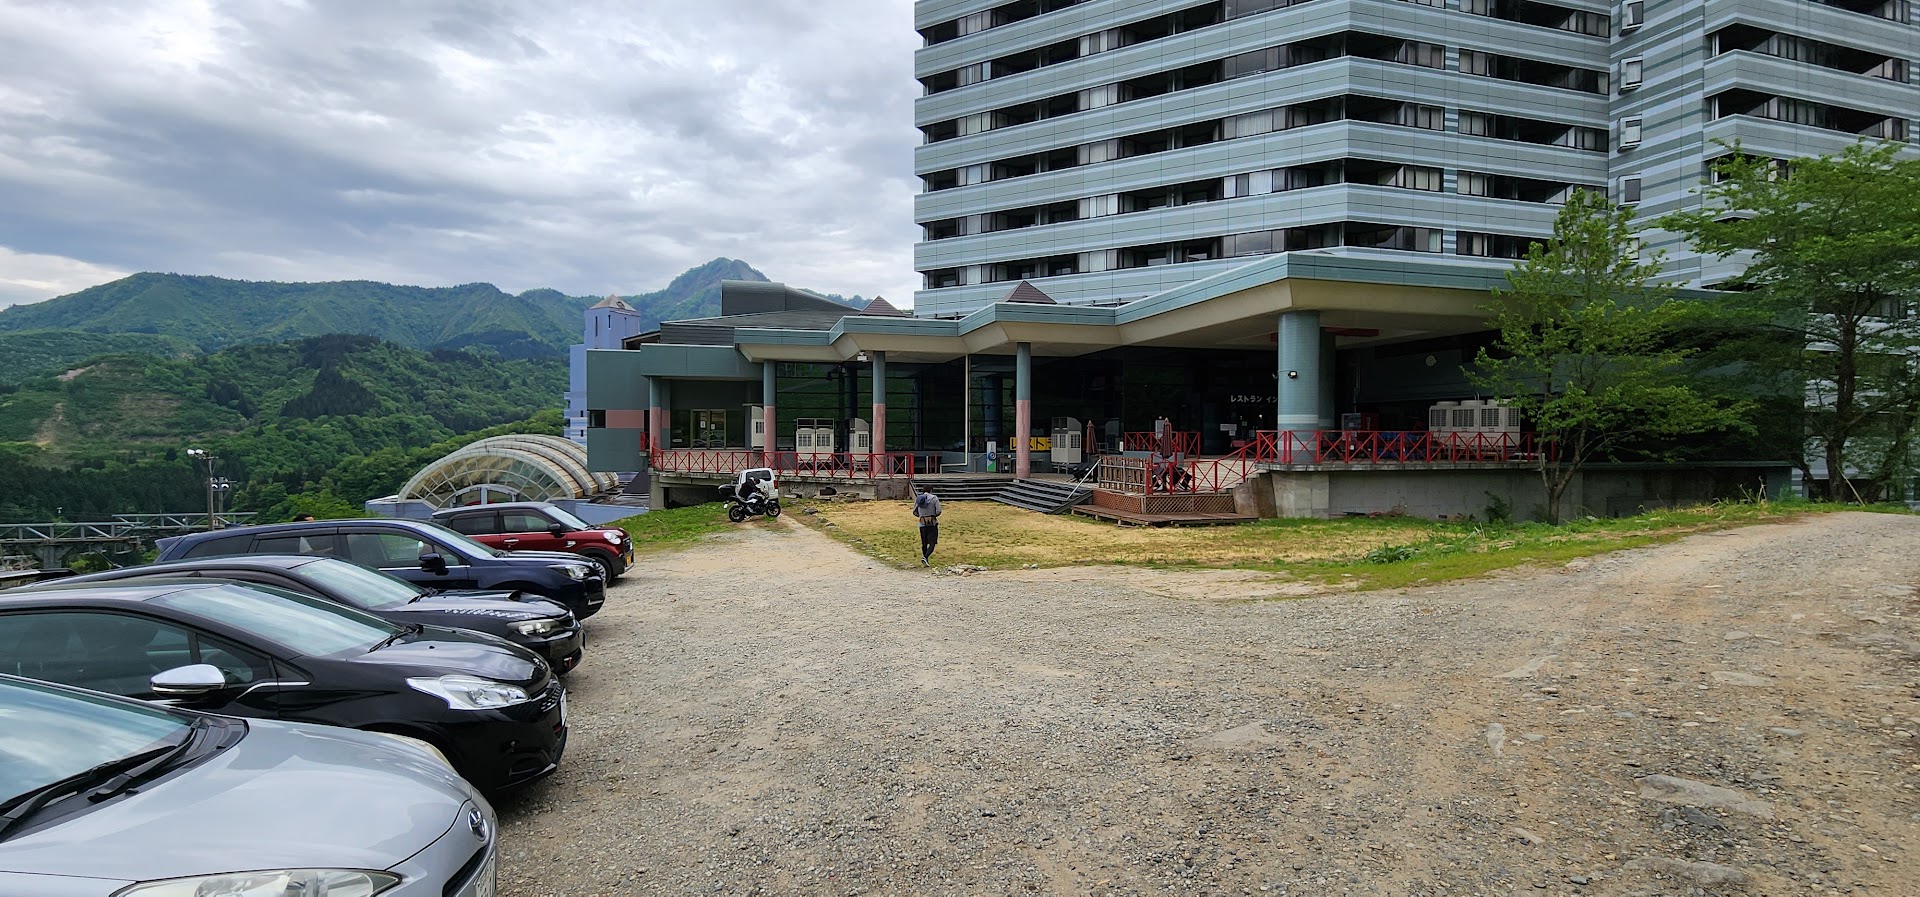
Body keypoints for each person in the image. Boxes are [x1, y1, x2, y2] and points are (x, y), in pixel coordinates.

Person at [911, 484, 942, 567]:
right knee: (932, 542)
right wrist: (933, 515)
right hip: (932, 523)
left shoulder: (919, 498)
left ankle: (925, 559)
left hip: (922, 523)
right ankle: (925, 557)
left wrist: (921, 516)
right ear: (931, 490)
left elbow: (914, 511)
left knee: (924, 543)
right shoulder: (934, 498)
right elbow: (939, 510)